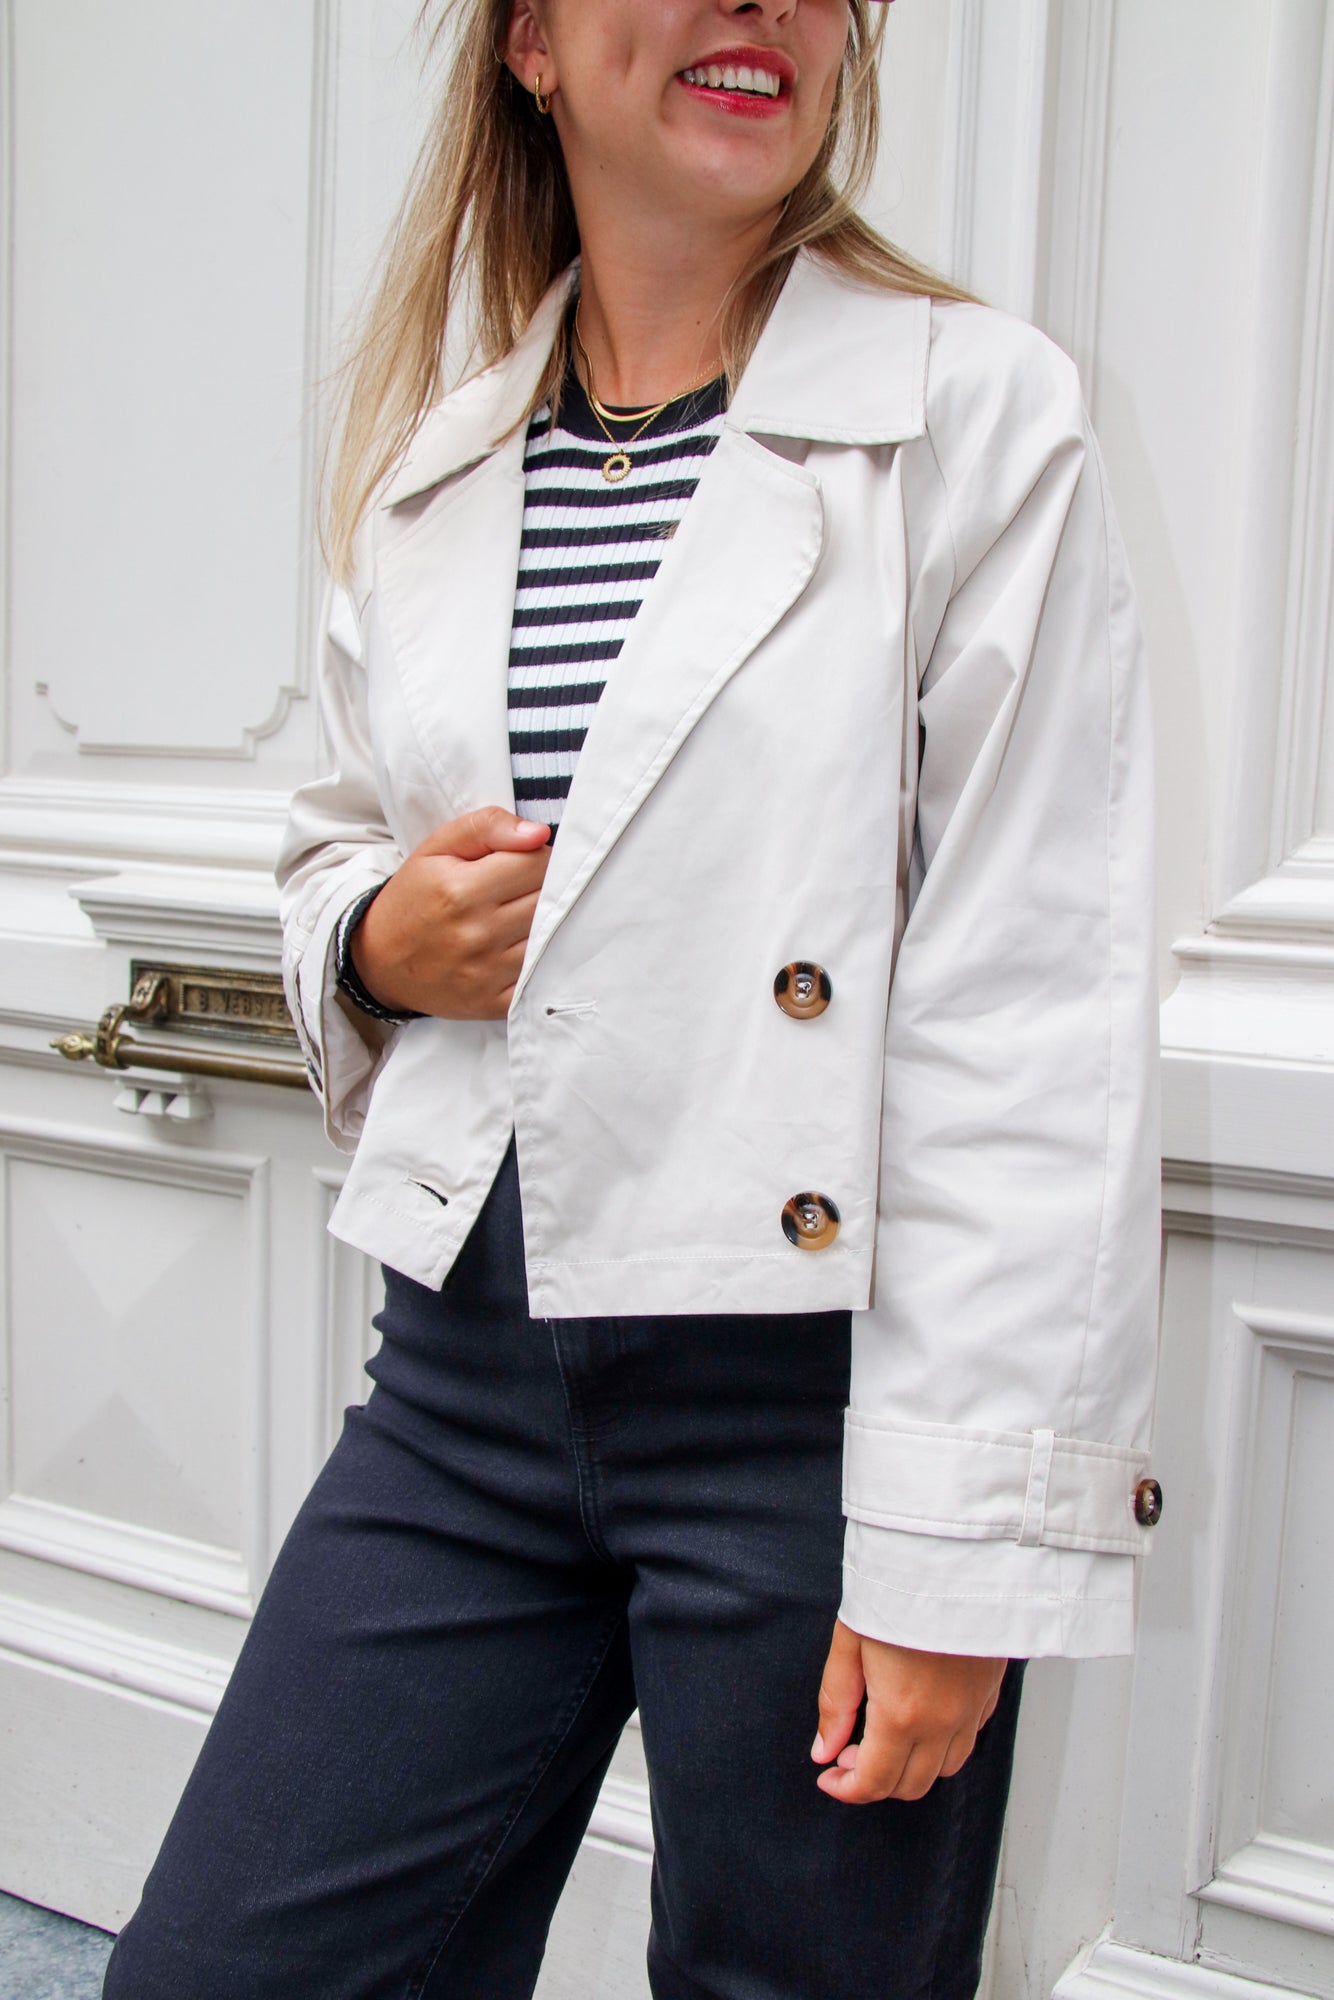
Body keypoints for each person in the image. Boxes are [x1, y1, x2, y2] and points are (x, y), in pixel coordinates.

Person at [103, 1, 1163, 1995]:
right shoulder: (436, 466)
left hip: (813, 1410)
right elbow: (337, 840)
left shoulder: (971, 415)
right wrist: (374, 939)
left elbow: (1034, 1002)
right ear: (528, 41)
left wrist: (956, 1553)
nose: (761, 6)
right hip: (465, 1378)